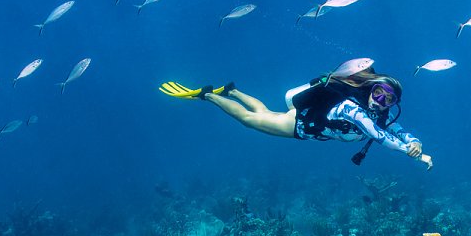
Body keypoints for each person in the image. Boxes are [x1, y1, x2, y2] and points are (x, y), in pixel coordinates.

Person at [159, 69, 433, 168]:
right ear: (370, 88)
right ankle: (207, 95)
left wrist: (416, 143)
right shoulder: (352, 108)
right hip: (298, 126)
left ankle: (232, 90)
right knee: (248, 120)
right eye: (379, 92)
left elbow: (396, 128)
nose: (381, 101)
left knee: (263, 113)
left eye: (389, 99)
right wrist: (409, 152)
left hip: (307, 122)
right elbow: (375, 133)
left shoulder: (379, 113)